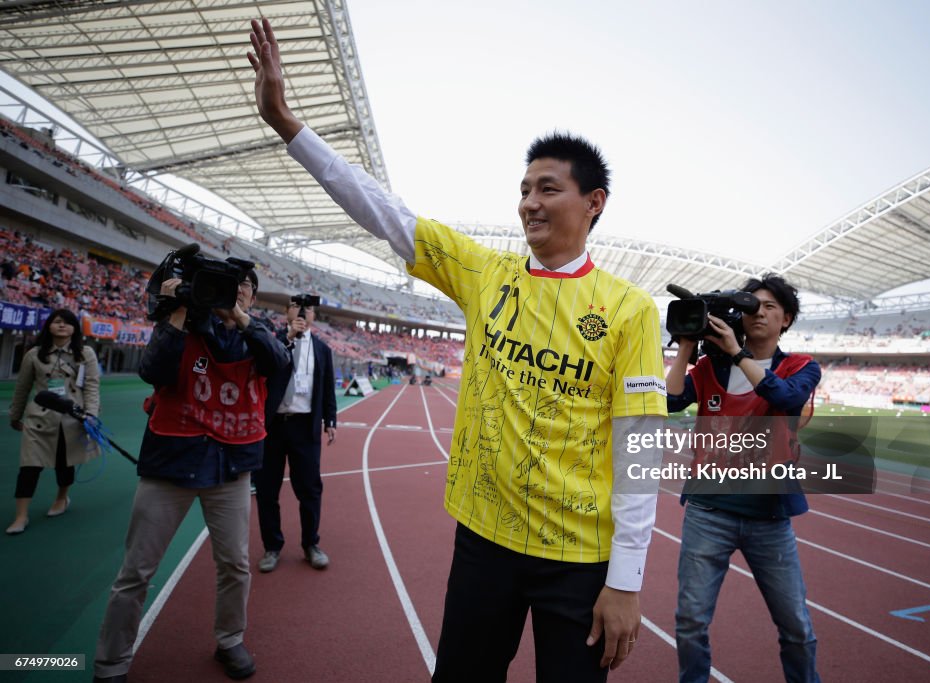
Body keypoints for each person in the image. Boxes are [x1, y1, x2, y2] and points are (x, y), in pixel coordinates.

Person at [248, 18, 667, 681]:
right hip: (483, 541)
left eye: (547, 189)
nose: (528, 202)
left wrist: (627, 579)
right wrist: (287, 124)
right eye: (524, 188)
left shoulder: (630, 310)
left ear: (594, 203)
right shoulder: (485, 274)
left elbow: (640, 445)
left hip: (580, 556)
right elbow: (385, 211)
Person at [93, 269, 290, 682]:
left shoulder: (259, 332)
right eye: (227, 283)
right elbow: (154, 370)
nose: (236, 289)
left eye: (245, 286)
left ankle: (230, 639)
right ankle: (112, 662)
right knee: (137, 570)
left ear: (252, 297)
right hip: (171, 461)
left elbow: (278, 364)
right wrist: (179, 309)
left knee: (235, 564)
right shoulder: (181, 323)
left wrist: (239, 318)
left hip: (231, 465)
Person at [665, 273, 822, 683]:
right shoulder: (710, 367)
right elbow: (669, 400)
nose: (759, 313)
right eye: (751, 305)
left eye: (770, 307)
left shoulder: (800, 367)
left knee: (797, 629)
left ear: (786, 319)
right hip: (708, 512)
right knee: (689, 622)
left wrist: (737, 354)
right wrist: (686, 345)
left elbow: (785, 399)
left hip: (769, 518)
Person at [254, 294, 337, 572]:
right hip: (272, 426)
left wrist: (331, 420)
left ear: (314, 315)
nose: (303, 312)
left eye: (309, 309)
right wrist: (288, 336)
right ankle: (272, 547)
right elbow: (265, 366)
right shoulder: (271, 339)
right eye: (296, 306)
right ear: (287, 311)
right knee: (267, 489)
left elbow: (326, 388)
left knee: (310, 489)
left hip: (305, 426)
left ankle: (311, 543)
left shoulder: (323, 349)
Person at [7, 309, 100, 535]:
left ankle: (61, 498)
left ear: (74, 329)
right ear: (48, 326)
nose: (62, 326)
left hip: (72, 418)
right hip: (39, 419)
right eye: (57, 322)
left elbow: (92, 387)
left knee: (64, 464)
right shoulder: (34, 354)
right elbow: (22, 389)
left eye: (67, 323)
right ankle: (21, 516)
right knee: (29, 468)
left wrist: (91, 414)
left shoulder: (85, 353)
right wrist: (15, 415)